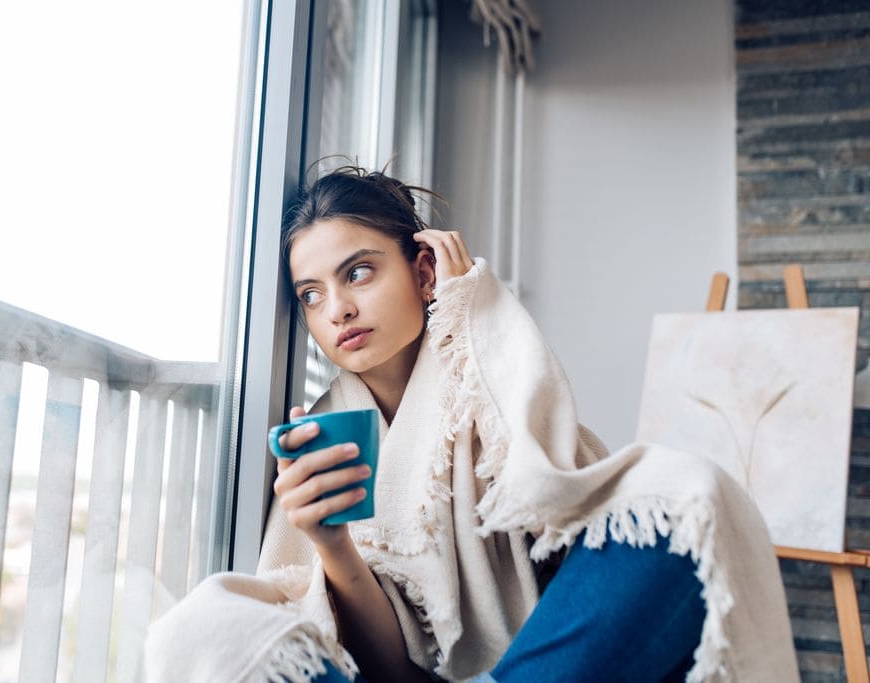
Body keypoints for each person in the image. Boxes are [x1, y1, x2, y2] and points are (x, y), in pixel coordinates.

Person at [144, 166, 799, 682]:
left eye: (359, 272)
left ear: (424, 270)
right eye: (311, 294)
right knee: (206, 623)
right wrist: (331, 543)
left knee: (688, 494)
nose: (337, 309)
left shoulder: (487, 370)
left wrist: (476, 316)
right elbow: (385, 669)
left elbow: (549, 490)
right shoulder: (326, 436)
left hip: (560, 660)